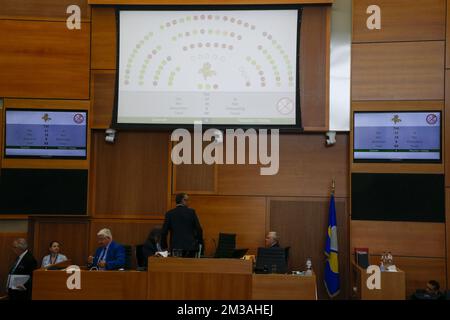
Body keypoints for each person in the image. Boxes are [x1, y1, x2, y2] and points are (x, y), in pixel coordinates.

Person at [161, 193, 203, 258]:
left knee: (177, 267)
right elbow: (199, 229)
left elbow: (164, 232)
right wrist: (200, 242)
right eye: (187, 200)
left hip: (176, 247)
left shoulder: (169, 214)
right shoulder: (191, 212)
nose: (189, 202)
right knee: (189, 267)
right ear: (183, 200)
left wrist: (164, 247)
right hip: (190, 247)